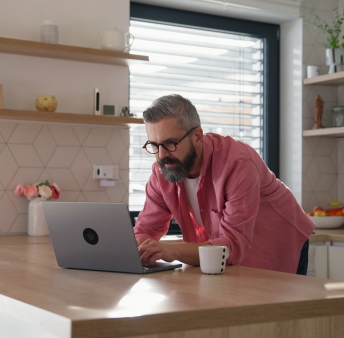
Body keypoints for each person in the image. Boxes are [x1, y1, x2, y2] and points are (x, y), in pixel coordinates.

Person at [134, 94, 314, 274]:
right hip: (227, 254)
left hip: (278, 242)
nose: (162, 155)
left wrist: (172, 250)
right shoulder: (163, 171)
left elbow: (233, 246)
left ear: (197, 136)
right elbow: (145, 231)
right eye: (154, 145)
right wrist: (132, 247)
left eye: (170, 143)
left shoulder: (238, 163)